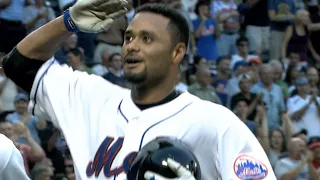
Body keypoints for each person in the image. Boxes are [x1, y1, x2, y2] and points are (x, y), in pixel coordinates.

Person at [1, 0, 276, 180]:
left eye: (147, 39)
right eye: (129, 37)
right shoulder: (90, 97)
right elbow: (19, 64)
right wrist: (68, 22)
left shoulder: (216, 123)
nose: (132, 45)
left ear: (177, 52)